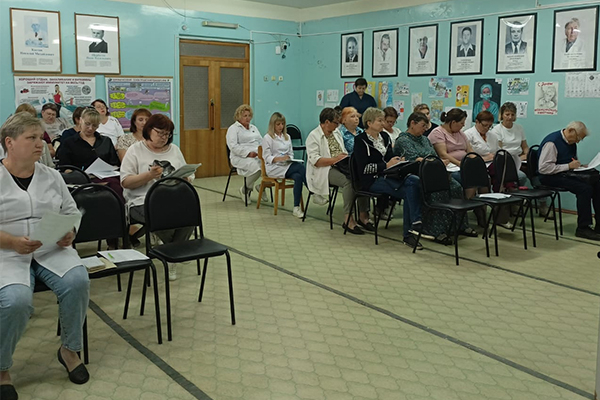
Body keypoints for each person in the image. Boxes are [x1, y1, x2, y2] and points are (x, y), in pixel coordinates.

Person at [0, 113, 90, 400]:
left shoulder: (51, 175)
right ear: (10, 143)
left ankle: (70, 350)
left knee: (77, 281)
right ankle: (2, 368)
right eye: (31, 138)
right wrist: (11, 242)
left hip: (51, 248)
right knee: (16, 301)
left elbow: (70, 211)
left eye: (40, 137)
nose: (40, 144)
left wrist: (69, 232)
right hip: (6, 254)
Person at [121, 114, 195, 280]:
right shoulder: (135, 150)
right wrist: (149, 175)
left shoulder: (174, 150)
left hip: (173, 198)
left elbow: (188, 174)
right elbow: (125, 182)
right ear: (149, 130)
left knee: (191, 210)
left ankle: (172, 251)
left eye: (167, 134)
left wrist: (186, 178)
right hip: (142, 200)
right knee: (162, 216)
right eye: (160, 133)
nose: (164, 138)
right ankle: (175, 253)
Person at [394, 112, 476, 243]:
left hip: (434, 172)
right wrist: (433, 162)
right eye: (422, 126)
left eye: (426, 126)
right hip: (417, 175)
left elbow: (433, 156)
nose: (424, 129)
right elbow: (414, 159)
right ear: (412, 123)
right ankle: (436, 230)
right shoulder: (403, 140)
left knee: (456, 187)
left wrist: (437, 162)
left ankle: (459, 225)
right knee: (437, 192)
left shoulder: (424, 139)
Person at [353, 108, 425, 248]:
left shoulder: (384, 137)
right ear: (369, 123)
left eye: (383, 120)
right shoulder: (360, 140)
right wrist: (385, 165)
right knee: (411, 188)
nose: (383, 123)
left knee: (413, 181)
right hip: (371, 180)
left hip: (389, 175)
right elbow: (363, 169)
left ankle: (413, 226)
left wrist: (398, 160)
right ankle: (412, 228)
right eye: (379, 121)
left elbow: (390, 157)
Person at [306, 108, 371, 234]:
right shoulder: (313, 136)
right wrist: (335, 159)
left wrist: (342, 158)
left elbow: (343, 151)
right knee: (349, 182)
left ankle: (363, 216)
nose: (337, 126)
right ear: (326, 122)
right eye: (336, 123)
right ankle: (348, 219)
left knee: (362, 177)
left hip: (341, 165)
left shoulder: (336, 133)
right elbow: (316, 161)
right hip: (324, 169)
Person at [538, 121, 600, 240]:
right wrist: (568, 166)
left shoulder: (571, 143)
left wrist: (580, 167)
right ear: (571, 131)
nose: (578, 141)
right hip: (549, 177)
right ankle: (583, 228)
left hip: (565, 174)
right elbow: (544, 168)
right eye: (578, 138)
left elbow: (571, 162)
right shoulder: (552, 143)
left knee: (597, 183)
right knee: (584, 189)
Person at [57, 108, 122, 205]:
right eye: (87, 124)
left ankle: (118, 211)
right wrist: (77, 174)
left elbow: (114, 163)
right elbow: (65, 167)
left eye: (94, 125)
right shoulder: (69, 142)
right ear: (80, 120)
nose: (90, 128)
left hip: (106, 177)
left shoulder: (105, 141)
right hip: (81, 179)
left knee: (116, 185)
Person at [261, 112, 306, 218]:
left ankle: (296, 208)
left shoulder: (287, 137)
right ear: (273, 125)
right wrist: (279, 159)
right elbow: (266, 157)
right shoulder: (267, 138)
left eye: (282, 124)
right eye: (278, 124)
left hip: (286, 165)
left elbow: (291, 153)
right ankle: (314, 192)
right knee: (300, 167)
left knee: (298, 177)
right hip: (274, 168)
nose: (281, 126)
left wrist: (288, 158)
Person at [226, 104, 268, 204]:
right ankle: (245, 190)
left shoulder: (254, 128)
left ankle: (262, 186)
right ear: (239, 116)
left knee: (271, 165)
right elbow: (233, 146)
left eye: (249, 116)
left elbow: (261, 141)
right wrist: (248, 153)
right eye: (245, 116)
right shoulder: (233, 129)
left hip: (257, 155)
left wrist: (265, 151)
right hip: (240, 157)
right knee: (257, 166)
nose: (247, 118)